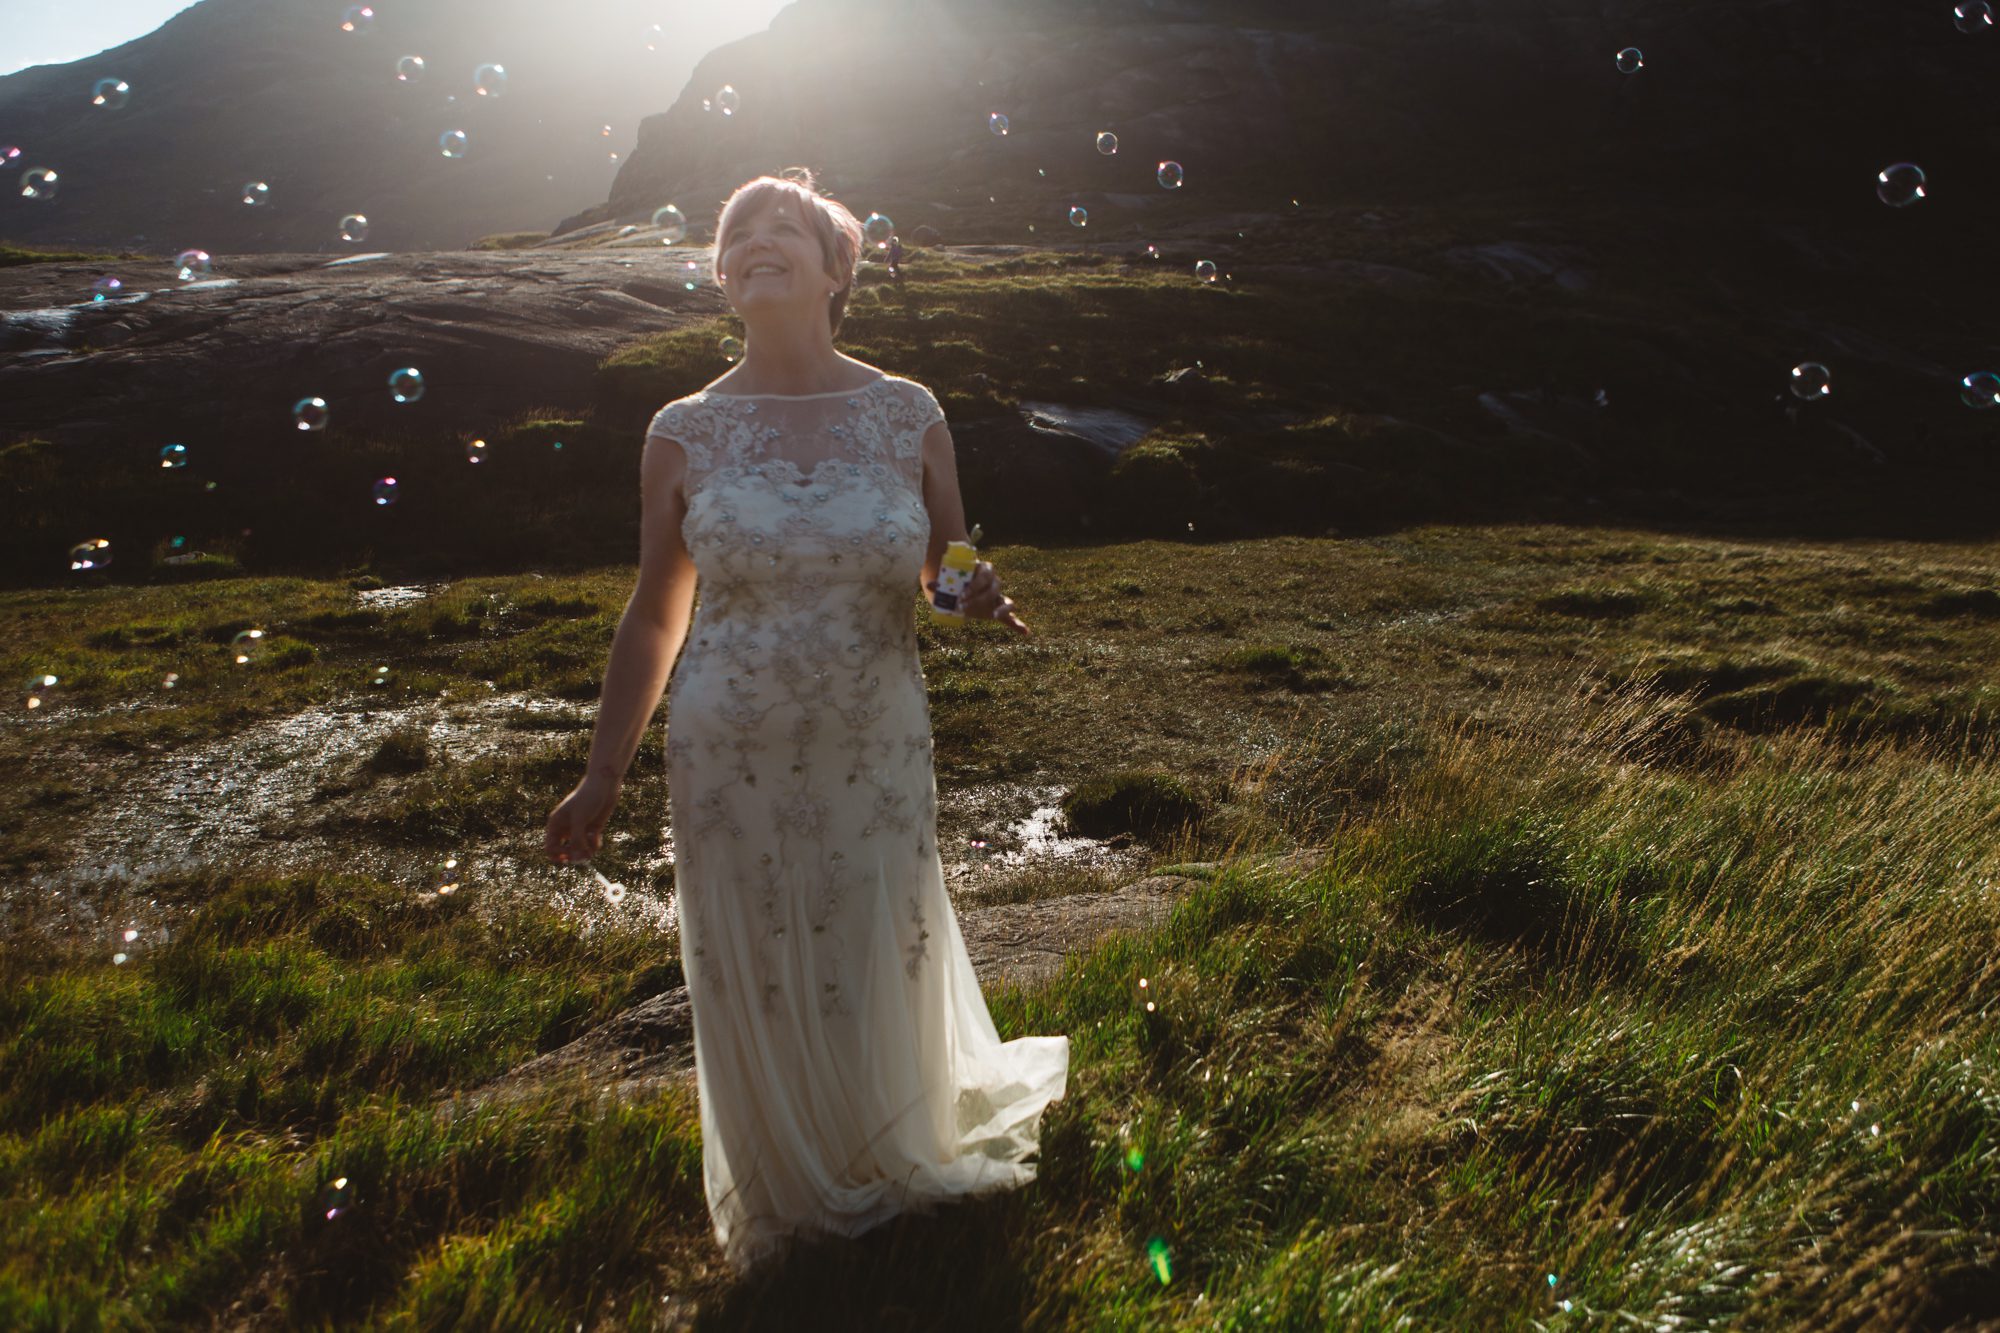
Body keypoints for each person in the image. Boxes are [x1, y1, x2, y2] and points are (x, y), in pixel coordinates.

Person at [543, 169, 1066, 1276]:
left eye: (788, 226)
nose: (760, 238)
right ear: (722, 274)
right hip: (725, 746)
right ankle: (787, 1189)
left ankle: (892, 1148)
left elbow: (945, 568)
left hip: (872, 736)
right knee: (758, 960)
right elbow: (653, 610)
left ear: (838, 270)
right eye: (740, 230)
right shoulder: (681, 430)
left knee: (873, 933)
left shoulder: (906, 411)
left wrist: (970, 592)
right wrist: (601, 775)